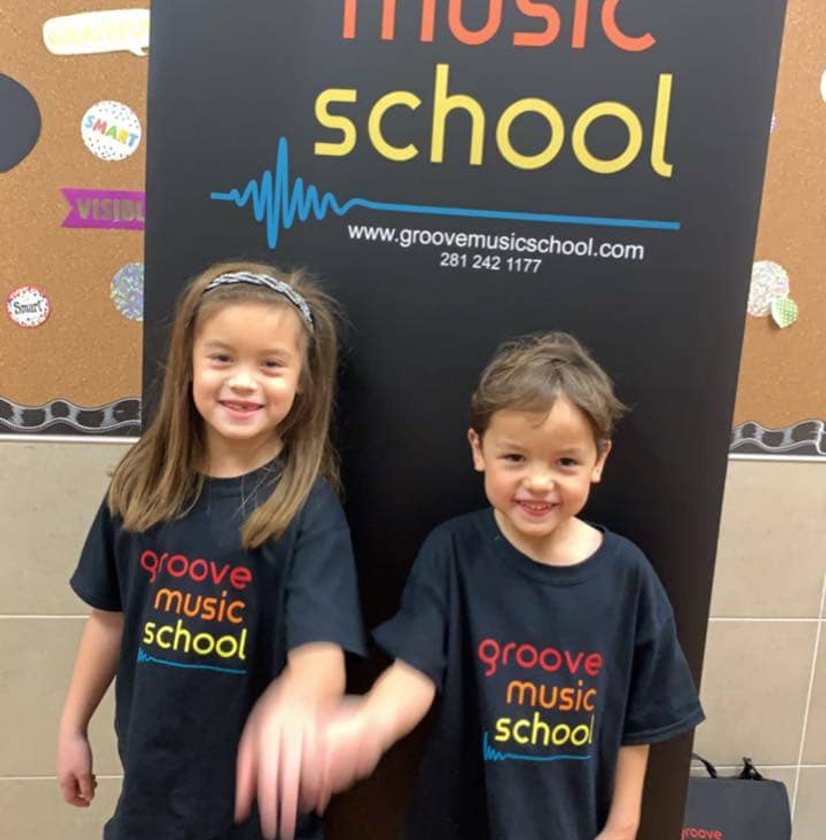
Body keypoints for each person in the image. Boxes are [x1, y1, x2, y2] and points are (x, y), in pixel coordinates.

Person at [278, 331, 704, 840]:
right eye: (515, 457)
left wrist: (623, 824)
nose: (539, 482)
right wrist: (369, 725)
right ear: (479, 449)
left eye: (565, 461)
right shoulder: (453, 551)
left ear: (599, 460)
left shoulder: (628, 575)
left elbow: (643, 719)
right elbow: (416, 672)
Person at [56, 261, 365, 840]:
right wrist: (73, 726)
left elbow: (322, 660)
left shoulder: (306, 511)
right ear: (188, 367)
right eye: (222, 358)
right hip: (150, 800)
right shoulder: (141, 487)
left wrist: (296, 707)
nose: (244, 382)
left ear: (302, 382)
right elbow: (108, 620)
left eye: (271, 365)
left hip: (258, 814)